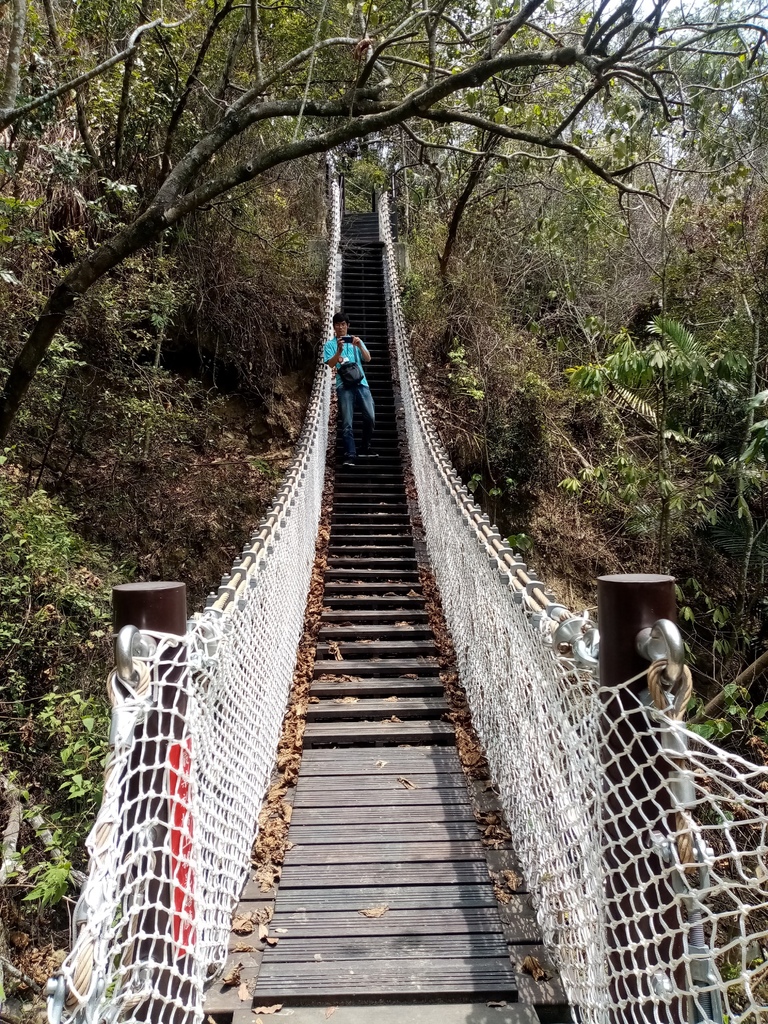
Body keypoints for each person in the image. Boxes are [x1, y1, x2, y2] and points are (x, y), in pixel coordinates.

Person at [323, 312, 376, 466]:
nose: (340, 327)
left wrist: (359, 345)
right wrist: (338, 351)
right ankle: (350, 454)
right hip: (344, 385)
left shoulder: (354, 341)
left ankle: (365, 446)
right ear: (333, 327)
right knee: (347, 421)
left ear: (348, 326)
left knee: (370, 417)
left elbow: (368, 358)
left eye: (343, 324)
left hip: (361, 383)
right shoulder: (330, 345)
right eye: (338, 324)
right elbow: (331, 364)